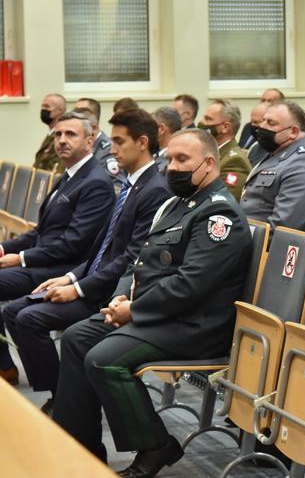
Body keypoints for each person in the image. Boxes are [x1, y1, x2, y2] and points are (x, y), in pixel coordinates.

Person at [51, 129, 252, 475]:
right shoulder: (175, 205)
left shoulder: (219, 216)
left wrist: (134, 310)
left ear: (209, 163)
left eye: (182, 159)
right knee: (76, 337)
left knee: (103, 360)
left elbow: (191, 284)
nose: (172, 167)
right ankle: (81, 447)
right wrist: (121, 295)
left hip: (194, 326)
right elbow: (139, 261)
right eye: (169, 158)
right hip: (157, 314)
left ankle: (155, 447)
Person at [2, 109, 170, 413]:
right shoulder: (129, 185)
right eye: (58, 134)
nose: (112, 149)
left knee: (27, 318)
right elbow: (100, 248)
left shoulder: (152, 190)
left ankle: (65, 401)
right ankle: (61, 395)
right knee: (16, 312)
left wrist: (78, 287)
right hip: (86, 275)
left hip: (110, 291)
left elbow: (130, 258)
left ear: (143, 142)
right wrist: (71, 278)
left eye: (118, 141)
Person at [0, 113, 115, 384]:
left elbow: (73, 245)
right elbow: (40, 232)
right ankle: (8, 367)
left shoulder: (96, 182)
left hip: (64, 269)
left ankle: (13, 371)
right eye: (58, 134)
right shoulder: (70, 175)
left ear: (90, 141)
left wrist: (20, 258)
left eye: (70, 134)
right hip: (45, 261)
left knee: (18, 311)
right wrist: (4, 248)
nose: (62, 140)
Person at [240, 101, 305, 234]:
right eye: (263, 121)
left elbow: (280, 229)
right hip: (245, 234)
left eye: (271, 123)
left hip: (264, 244)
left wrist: (237, 239)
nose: (262, 127)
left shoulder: (304, 167)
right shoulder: (275, 155)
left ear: (293, 132)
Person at [198, 99, 251, 201]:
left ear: (225, 127)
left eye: (208, 119)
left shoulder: (235, 162)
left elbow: (223, 202)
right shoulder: (211, 153)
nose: (201, 122)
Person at [73, 107, 127, 189]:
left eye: (73, 134)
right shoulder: (85, 148)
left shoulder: (107, 150)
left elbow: (117, 186)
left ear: (93, 129)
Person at [34, 93, 66, 172]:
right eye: (42, 106)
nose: (43, 109)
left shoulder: (61, 136)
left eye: (47, 106)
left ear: (60, 111)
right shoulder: (51, 133)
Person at [238, 102, 271, 166]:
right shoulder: (254, 147)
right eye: (251, 122)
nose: (252, 125)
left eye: (256, 122)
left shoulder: (274, 147)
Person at [152, 106, 182, 173]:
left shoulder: (171, 162)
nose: (147, 131)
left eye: (151, 126)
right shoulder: (155, 154)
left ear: (161, 129)